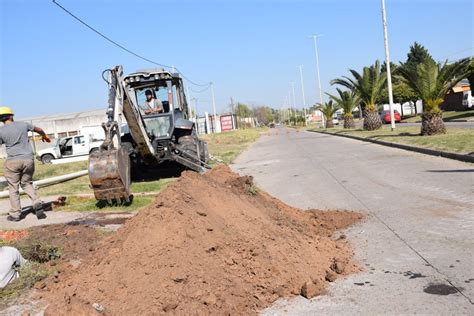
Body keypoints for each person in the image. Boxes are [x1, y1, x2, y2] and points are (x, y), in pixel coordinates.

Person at [0, 107, 50, 222]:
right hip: (28, 160)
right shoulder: (23, 125)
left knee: (13, 188)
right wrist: (44, 135)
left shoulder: (1, 131)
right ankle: (36, 202)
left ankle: (15, 214)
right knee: (26, 183)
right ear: (11, 116)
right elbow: (39, 129)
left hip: (12, 161)